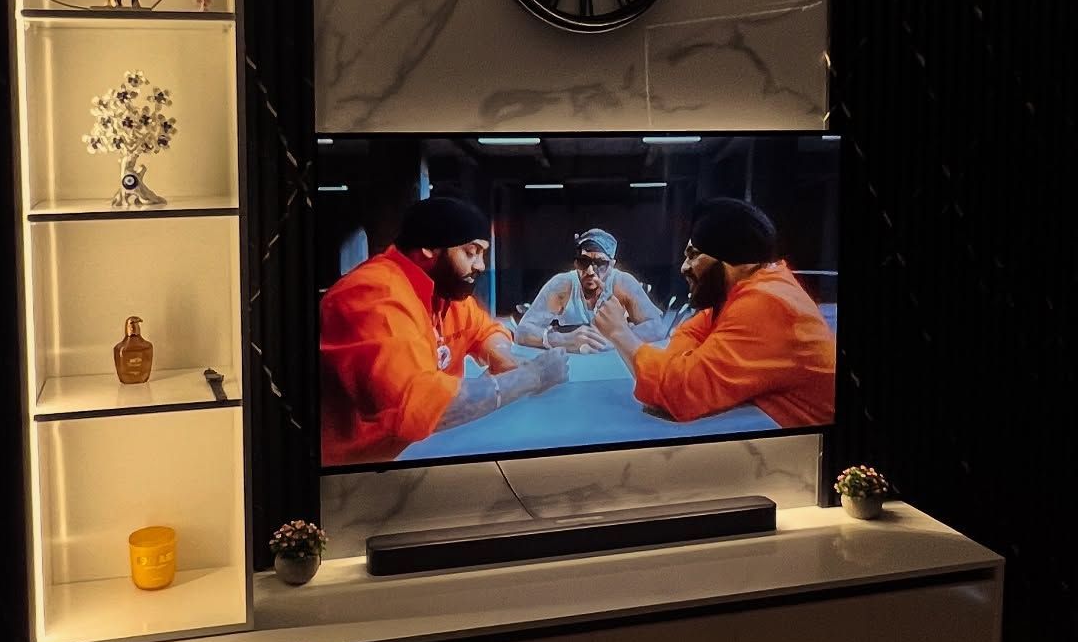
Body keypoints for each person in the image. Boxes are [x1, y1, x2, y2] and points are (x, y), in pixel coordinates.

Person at [320, 194, 568, 466]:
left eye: (482, 254)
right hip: (352, 474)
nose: (481, 265)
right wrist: (530, 376)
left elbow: (485, 331)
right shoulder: (374, 296)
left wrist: (500, 356)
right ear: (429, 248)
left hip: (412, 454)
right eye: (471, 252)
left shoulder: (443, 291)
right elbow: (416, 406)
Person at [592, 197, 835, 428]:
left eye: (693, 255)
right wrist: (676, 366)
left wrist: (619, 332)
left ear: (733, 261)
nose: (684, 267)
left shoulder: (766, 304)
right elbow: (690, 332)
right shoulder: (750, 288)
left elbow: (678, 392)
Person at [514, 227, 663, 355]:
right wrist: (563, 340)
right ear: (575, 263)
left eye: (600, 263)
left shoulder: (622, 283)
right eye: (584, 262)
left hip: (613, 365)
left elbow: (656, 326)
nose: (591, 271)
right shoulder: (562, 284)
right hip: (573, 364)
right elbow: (522, 332)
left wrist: (617, 337)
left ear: (612, 265)